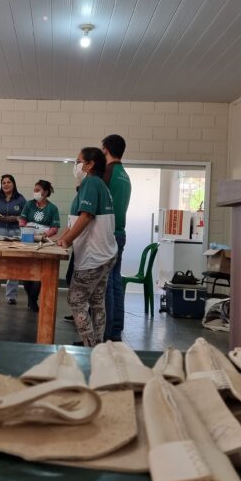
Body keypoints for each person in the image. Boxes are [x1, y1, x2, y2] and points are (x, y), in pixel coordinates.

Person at [57, 147, 117, 347]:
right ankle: (98, 345)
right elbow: (76, 221)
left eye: (78, 161)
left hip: (94, 257)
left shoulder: (91, 182)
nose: (76, 166)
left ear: (90, 165)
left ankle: (90, 347)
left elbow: (86, 216)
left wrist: (66, 241)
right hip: (105, 254)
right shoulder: (99, 184)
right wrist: (61, 239)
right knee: (97, 301)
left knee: (76, 300)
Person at [101, 134, 132, 342]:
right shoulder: (125, 175)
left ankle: (106, 333)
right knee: (115, 282)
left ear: (105, 149)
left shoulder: (109, 170)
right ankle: (115, 331)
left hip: (108, 233)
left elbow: (96, 195)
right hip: (120, 232)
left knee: (106, 284)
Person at [0, 174, 27, 305]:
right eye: (4, 183)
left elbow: (25, 217)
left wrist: (17, 218)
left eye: (9, 182)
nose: (6, 184)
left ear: (13, 184)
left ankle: (11, 296)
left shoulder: (21, 199)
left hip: (15, 233)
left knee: (14, 263)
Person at [19, 180, 60, 312]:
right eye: (34, 190)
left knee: (39, 274)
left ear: (46, 192)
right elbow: (22, 220)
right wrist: (24, 227)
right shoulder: (29, 204)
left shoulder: (52, 208)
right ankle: (31, 299)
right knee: (26, 273)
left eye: (38, 190)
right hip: (27, 240)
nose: (35, 192)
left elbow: (55, 227)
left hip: (43, 242)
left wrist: (45, 234)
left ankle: (32, 299)